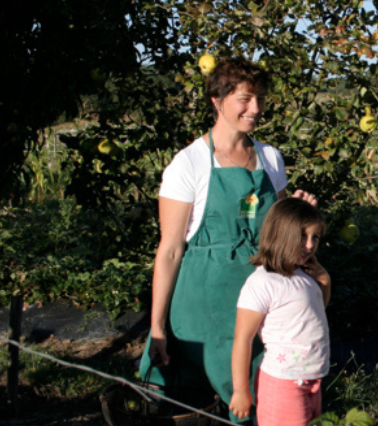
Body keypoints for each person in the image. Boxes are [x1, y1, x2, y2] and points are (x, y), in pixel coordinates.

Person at [138, 56, 316, 422]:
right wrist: (157, 326)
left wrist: (297, 214)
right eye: (245, 99)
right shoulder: (188, 165)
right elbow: (170, 250)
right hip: (206, 306)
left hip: (264, 301)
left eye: (261, 99)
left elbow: (277, 234)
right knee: (205, 403)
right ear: (216, 101)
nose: (256, 109)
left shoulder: (269, 158)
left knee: (263, 397)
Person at [229, 197, 331, 426]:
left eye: (315, 238)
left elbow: (316, 313)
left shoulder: (304, 276)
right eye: (303, 236)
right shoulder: (263, 283)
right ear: (281, 234)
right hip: (283, 383)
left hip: (312, 378)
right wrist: (240, 390)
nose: (310, 245)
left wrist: (324, 280)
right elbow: (242, 339)